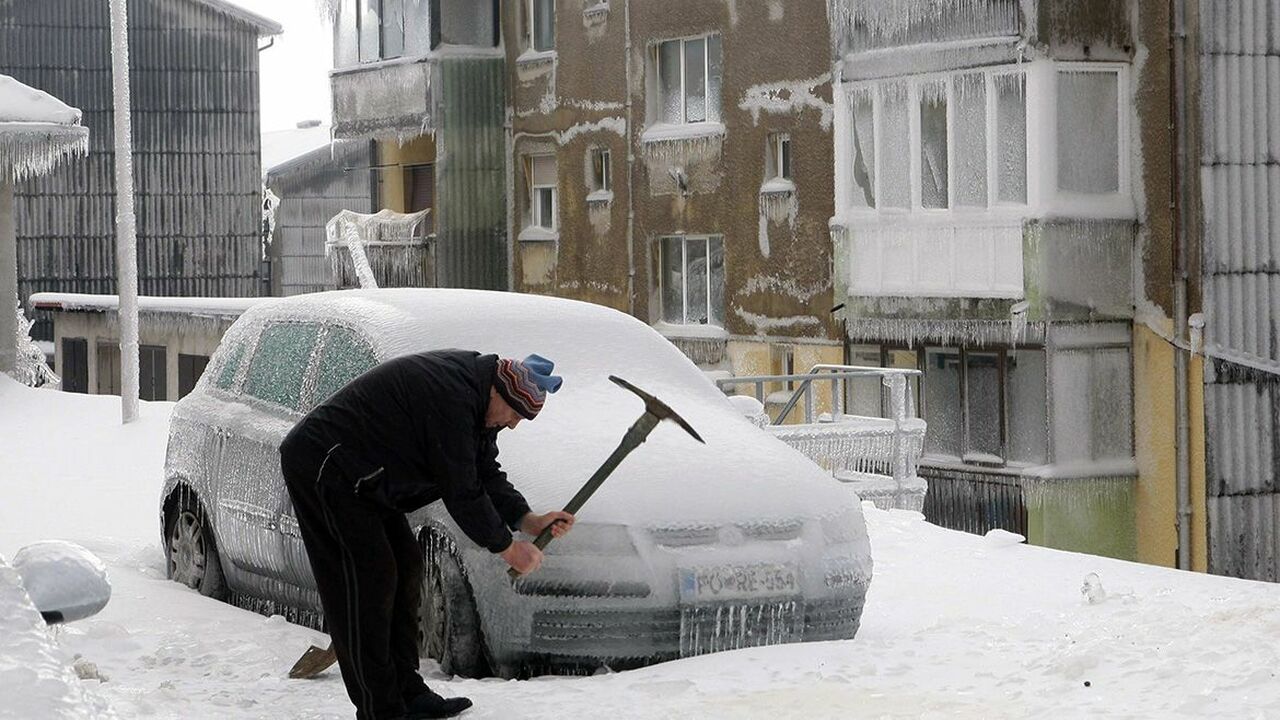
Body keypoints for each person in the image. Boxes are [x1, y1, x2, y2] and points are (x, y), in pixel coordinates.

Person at [280, 350, 573, 720]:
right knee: (369, 580)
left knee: (405, 566)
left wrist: (528, 519)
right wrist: (506, 548)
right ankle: (380, 708)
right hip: (325, 466)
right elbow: (461, 489)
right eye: (515, 415)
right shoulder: (452, 397)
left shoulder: (480, 400)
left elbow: (483, 471)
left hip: (368, 480)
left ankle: (407, 691)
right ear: (499, 393)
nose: (513, 425)